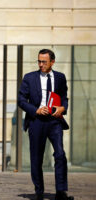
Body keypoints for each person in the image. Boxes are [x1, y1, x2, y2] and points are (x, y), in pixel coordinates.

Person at [18, 49, 73, 200]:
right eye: (39, 61)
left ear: (52, 62)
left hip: (55, 121)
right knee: (37, 158)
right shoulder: (29, 78)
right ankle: (39, 192)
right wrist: (35, 110)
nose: (41, 64)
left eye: (44, 62)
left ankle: (61, 191)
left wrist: (63, 108)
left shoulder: (60, 78)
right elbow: (21, 100)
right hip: (36, 121)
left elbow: (64, 97)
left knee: (60, 154)